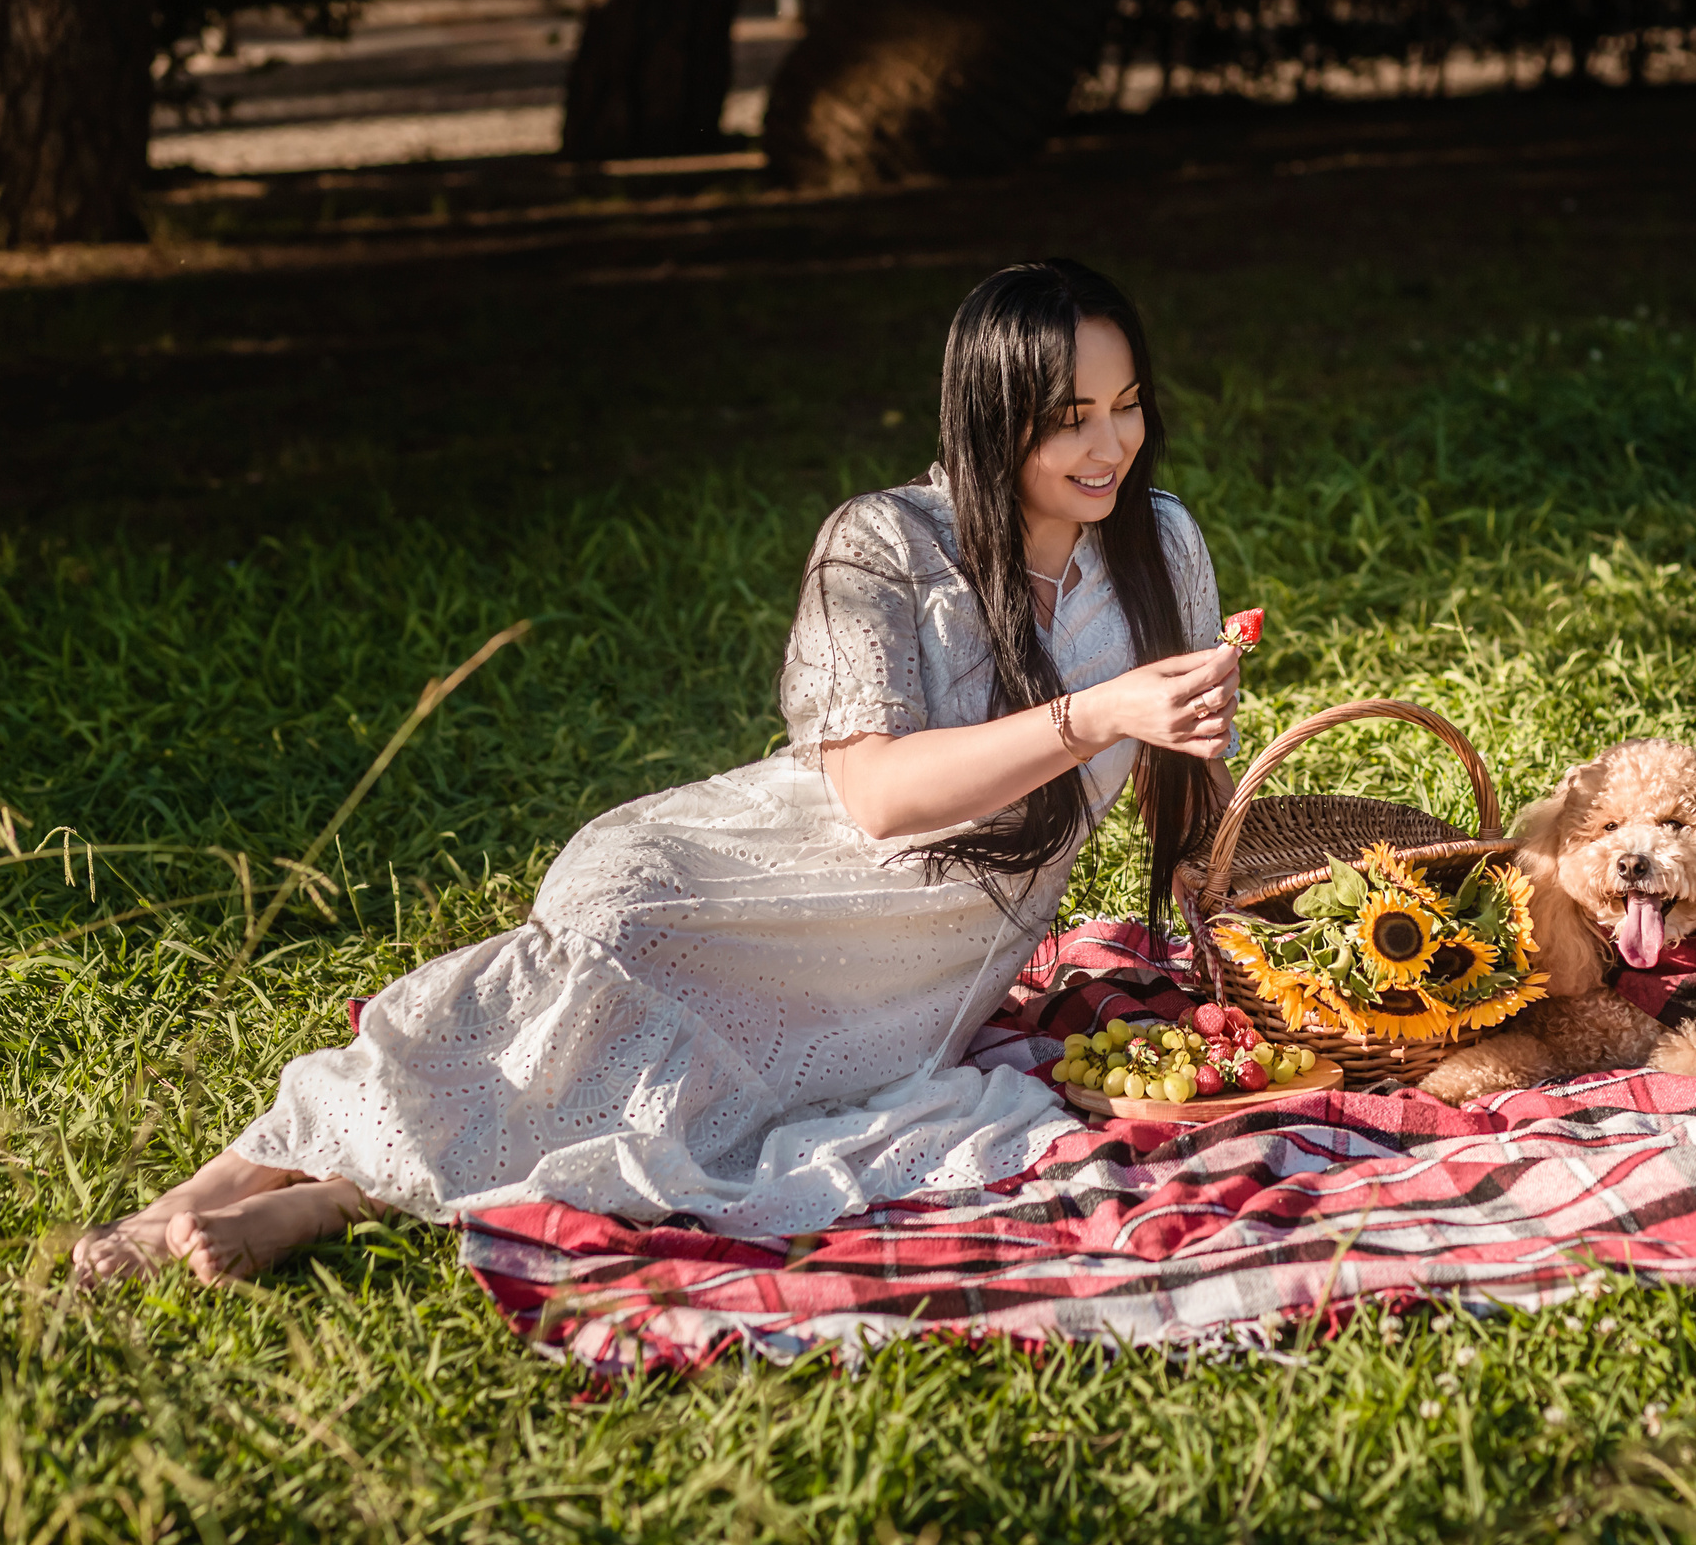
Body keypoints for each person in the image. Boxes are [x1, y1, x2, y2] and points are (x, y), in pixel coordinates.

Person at [72, 259, 1242, 1285]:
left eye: (1128, 405)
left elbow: (1182, 786)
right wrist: (1094, 716)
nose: (1111, 446)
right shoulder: (883, 543)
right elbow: (876, 797)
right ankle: (197, 1193)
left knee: (695, 1108)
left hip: (919, 975)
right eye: (1071, 415)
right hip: (774, 875)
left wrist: (1230, 945)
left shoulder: (1156, 542)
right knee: (581, 969)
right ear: (990, 418)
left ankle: (336, 1199)